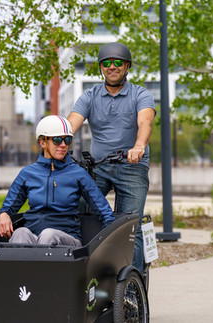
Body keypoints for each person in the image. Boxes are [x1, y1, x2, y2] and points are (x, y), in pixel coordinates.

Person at [67, 42, 156, 273]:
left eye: (118, 63)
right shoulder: (89, 96)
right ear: (101, 68)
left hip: (132, 166)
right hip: (98, 167)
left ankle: (131, 290)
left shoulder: (140, 94)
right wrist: (58, 141)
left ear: (127, 67)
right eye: (107, 63)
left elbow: (145, 122)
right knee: (77, 210)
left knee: (129, 229)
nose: (112, 67)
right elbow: (71, 123)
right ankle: (83, 273)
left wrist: (138, 146)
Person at [0, 115, 115, 247]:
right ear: (43, 143)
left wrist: (109, 241)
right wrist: (3, 214)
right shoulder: (27, 174)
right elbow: (7, 208)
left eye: (67, 140)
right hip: (34, 237)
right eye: (57, 140)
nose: (63, 145)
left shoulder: (78, 173)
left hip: (68, 241)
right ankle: (22, 267)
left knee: (48, 235)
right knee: (20, 233)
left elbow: (103, 209)